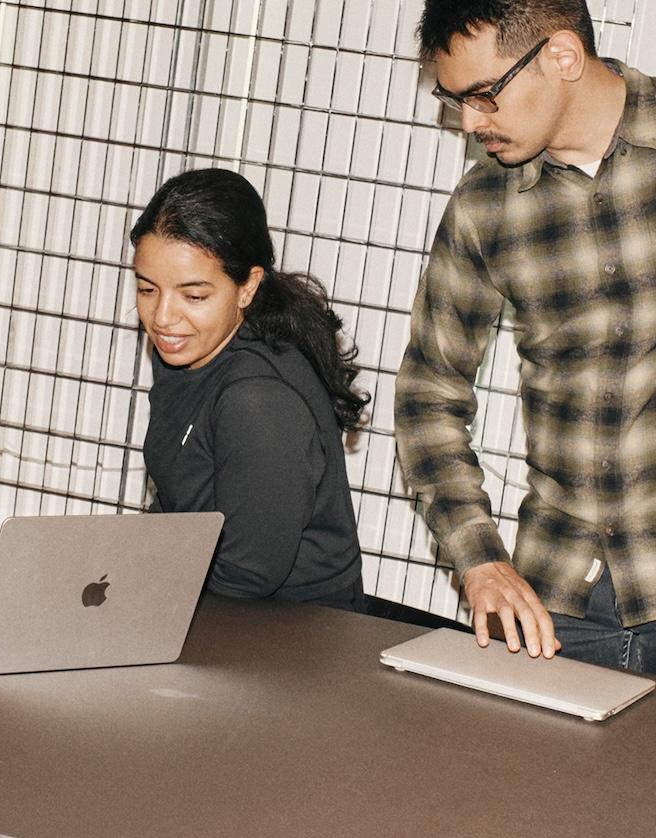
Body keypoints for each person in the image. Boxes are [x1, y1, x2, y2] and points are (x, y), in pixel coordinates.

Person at [395, 0, 656, 673]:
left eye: (485, 96)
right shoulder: (484, 208)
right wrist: (478, 558)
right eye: (455, 101)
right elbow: (428, 393)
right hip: (562, 601)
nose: (471, 123)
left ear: (562, 57)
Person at [131, 168, 369, 609]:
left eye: (194, 296)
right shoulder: (188, 350)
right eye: (147, 289)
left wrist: (136, 590)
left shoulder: (258, 399)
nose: (162, 317)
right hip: (222, 602)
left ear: (248, 286)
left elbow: (248, 575)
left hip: (291, 632)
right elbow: (179, 502)